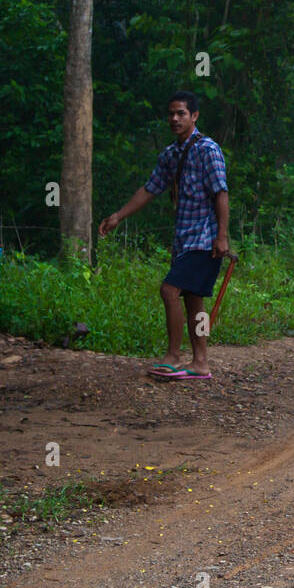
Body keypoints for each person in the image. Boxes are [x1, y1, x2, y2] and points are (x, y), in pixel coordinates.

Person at [100, 91, 229, 380]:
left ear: (194, 116)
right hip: (183, 239)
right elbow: (150, 189)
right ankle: (201, 363)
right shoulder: (171, 154)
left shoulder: (209, 149)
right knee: (194, 300)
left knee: (169, 291)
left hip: (205, 239)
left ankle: (172, 356)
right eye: (171, 113)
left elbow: (221, 193)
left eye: (181, 113)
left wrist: (222, 237)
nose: (174, 118)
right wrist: (118, 216)